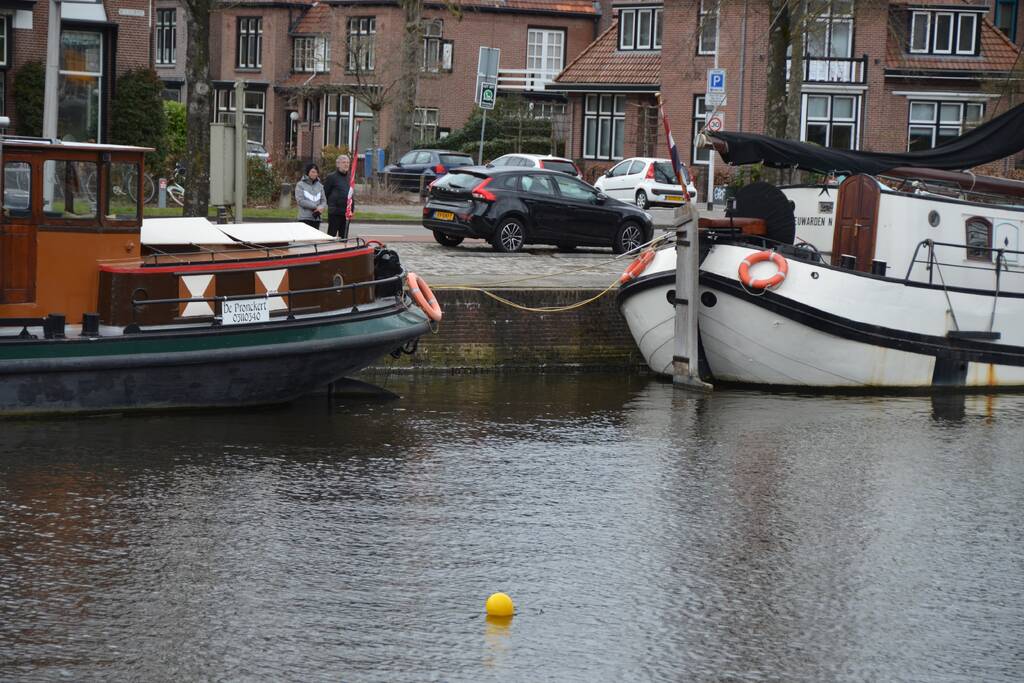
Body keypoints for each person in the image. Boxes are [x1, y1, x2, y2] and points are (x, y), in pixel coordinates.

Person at [323, 154, 353, 239]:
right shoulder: (331, 177)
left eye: (347, 162)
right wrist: (332, 204)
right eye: (343, 162)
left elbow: (351, 194)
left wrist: (352, 209)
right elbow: (325, 193)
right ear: (338, 164)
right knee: (331, 237)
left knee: (344, 238)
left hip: (346, 213)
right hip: (335, 213)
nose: (346, 164)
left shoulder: (350, 177)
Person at [295, 163, 327, 230]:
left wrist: (321, 207)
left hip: (316, 219)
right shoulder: (300, 185)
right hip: (304, 218)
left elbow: (323, 200)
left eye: (316, 172)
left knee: (315, 237)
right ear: (307, 172)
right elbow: (300, 201)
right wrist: (316, 207)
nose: (315, 174)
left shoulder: (320, 186)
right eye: (312, 172)